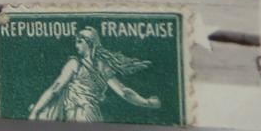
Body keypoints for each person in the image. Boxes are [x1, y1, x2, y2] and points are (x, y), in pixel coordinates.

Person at [28, 26, 161, 121]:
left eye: (79, 42)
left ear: (89, 43)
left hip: (77, 116)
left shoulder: (74, 64)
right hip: (93, 116)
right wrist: (146, 102)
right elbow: (124, 92)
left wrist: (35, 112)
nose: (76, 46)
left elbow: (54, 89)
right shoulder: (104, 68)